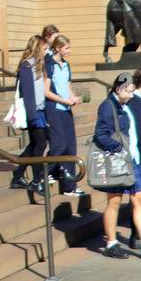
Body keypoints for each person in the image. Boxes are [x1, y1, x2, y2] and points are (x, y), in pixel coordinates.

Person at [95, 73, 141, 260]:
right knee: (114, 201)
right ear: (118, 89)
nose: (131, 94)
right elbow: (100, 135)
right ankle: (111, 243)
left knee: (139, 199)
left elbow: (136, 131)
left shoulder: (127, 104)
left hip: (132, 159)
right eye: (128, 91)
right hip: (117, 159)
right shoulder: (107, 106)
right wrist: (118, 147)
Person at [44, 34, 81, 195]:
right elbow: (46, 91)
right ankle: (45, 173)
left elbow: (67, 86)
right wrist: (64, 101)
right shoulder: (49, 64)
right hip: (54, 109)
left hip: (66, 109)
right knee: (58, 145)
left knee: (70, 147)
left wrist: (72, 97)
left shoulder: (66, 65)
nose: (69, 51)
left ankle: (69, 186)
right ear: (58, 48)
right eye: (66, 48)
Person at [11, 35, 49, 194]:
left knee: (34, 144)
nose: (47, 52)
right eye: (45, 48)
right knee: (40, 143)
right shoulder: (27, 66)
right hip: (33, 112)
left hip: (40, 110)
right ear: (38, 48)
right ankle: (36, 180)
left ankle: (18, 175)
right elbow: (27, 93)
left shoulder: (39, 66)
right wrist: (33, 117)